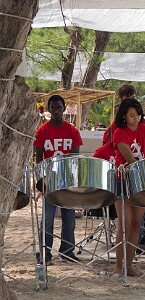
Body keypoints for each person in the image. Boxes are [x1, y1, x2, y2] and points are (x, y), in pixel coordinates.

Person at [34, 95, 83, 264]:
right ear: (49, 109)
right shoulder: (41, 131)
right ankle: (44, 253)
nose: (56, 111)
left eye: (59, 108)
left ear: (63, 109)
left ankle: (67, 251)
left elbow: (74, 157)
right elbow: (39, 158)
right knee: (47, 219)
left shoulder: (72, 131)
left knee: (69, 218)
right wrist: (44, 179)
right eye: (53, 108)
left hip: (67, 180)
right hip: (50, 180)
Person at [112, 98, 145, 277]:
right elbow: (130, 159)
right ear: (124, 116)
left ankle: (129, 266)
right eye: (131, 115)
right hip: (123, 180)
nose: (136, 118)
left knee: (137, 225)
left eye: (138, 114)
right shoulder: (119, 133)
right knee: (125, 225)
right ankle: (118, 267)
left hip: (141, 182)